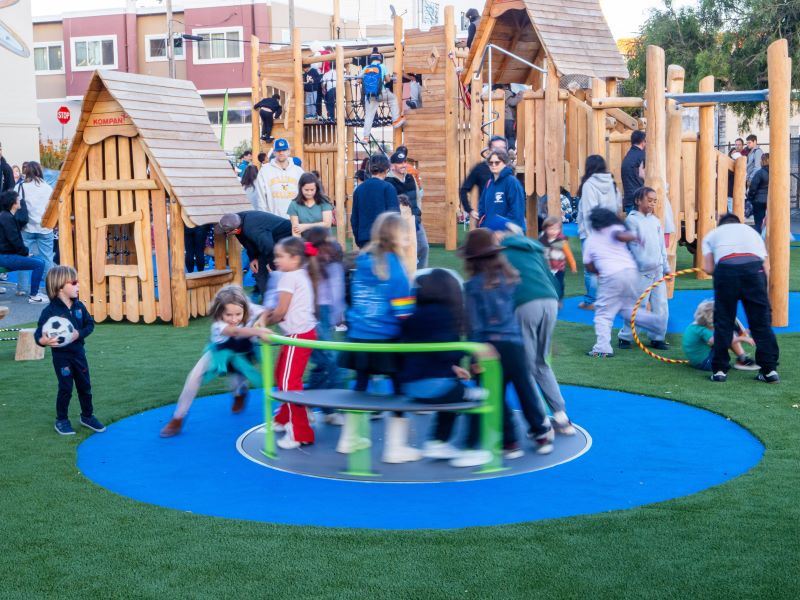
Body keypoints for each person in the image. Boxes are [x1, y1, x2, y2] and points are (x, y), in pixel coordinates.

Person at [461, 228, 555, 458]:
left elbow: (475, 326)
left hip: (489, 348)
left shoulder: (472, 287)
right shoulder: (509, 278)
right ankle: (541, 433)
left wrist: (474, 357)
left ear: (472, 260)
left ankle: (510, 440)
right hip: (514, 343)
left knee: (493, 392)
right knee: (524, 388)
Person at [338, 212, 419, 463]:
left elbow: (355, 297)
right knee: (398, 387)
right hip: (385, 338)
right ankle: (395, 448)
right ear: (396, 237)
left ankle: (348, 438)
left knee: (360, 385)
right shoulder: (396, 268)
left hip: (359, 336)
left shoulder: (363, 260)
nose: (408, 240)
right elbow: (403, 312)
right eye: (405, 235)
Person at [484, 216, 576, 436]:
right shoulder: (533, 246)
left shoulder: (500, 252)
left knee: (526, 365)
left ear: (498, 234)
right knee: (541, 362)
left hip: (526, 303)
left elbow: (496, 289)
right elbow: (552, 279)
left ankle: (541, 423)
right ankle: (561, 417)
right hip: (550, 301)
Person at [399, 268, 492, 468]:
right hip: (434, 387)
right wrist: (461, 355)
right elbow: (446, 349)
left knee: (456, 392)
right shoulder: (445, 316)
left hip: (410, 385)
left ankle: (438, 442)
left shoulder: (415, 316)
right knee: (481, 396)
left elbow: (426, 351)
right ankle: (472, 448)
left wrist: (451, 368)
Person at [160, 286, 268, 437]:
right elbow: (235, 331)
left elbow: (265, 311)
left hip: (242, 349)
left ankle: (240, 393)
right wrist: (258, 331)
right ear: (220, 313)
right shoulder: (218, 325)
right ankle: (178, 417)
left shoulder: (248, 307)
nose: (234, 319)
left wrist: (261, 320)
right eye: (228, 315)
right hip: (220, 351)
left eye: (238, 314)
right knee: (194, 376)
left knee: (236, 380)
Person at [701, 213, 780, 383]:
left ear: (721, 225)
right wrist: (763, 292)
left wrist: (725, 274)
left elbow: (708, 268)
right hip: (755, 272)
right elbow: (766, 266)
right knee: (761, 323)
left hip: (726, 271)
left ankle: (720, 371)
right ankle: (769, 371)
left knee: (724, 322)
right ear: (738, 223)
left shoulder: (712, 235)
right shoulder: (752, 232)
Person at [256, 237, 319, 448]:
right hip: (300, 333)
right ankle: (284, 418)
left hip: (297, 335)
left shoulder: (288, 277)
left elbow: (281, 311)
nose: (276, 260)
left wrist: (263, 323)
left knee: (289, 383)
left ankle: (300, 433)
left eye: (280, 256)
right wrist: (265, 317)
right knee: (282, 376)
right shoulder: (299, 273)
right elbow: (282, 309)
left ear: (295, 258)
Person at [582, 208, 667, 357]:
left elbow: (588, 265)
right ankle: (654, 322)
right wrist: (636, 237)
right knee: (627, 308)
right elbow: (622, 235)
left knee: (604, 313)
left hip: (612, 275)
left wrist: (598, 272)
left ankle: (602, 348)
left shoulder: (592, 239)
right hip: (630, 272)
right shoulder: (616, 228)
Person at [35, 266, 105, 436]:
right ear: (60, 286)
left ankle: (87, 416)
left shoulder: (79, 306)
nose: (78, 285)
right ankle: (61, 420)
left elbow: (90, 325)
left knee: (85, 386)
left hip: (79, 355)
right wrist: (43, 341)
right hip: (62, 358)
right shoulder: (50, 311)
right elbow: (38, 334)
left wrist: (78, 334)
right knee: (65, 388)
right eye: (73, 282)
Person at [617, 187, 670, 351]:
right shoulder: (632, 221)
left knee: (661, 305)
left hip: (657, 271)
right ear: (638, 201)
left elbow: (661, 246)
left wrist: (665, 266)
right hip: (641, 272)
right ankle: (626, 336)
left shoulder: (655, 221)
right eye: (649, 200)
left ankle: (658, 337)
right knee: (638, 305)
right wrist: (643, 264)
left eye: (655, 201)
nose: (652, 204)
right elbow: (633, 247)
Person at [304, 227, 346, 403]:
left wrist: (338, 318)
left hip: (316, 313)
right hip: (317, 313)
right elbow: (337, 293)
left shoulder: (326, 263)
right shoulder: (318, 263)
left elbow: (336, 292)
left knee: (324, 360)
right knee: (331, 360)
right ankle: (331, 404)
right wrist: (340, 318)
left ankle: (310, 401)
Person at [576, 155, 621, 309]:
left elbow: (589, 212)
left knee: (591, 268)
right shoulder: (612, 183)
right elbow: (617, 207)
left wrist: (591, 236)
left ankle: (592, 301)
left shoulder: (589, 185)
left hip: (593, 233)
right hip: (610, 232)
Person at [218, 211, 293, 299]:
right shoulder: (237, 221)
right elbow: (247, 242)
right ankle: (268, 300)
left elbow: (269, 247)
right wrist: (253, 258)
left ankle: (280, 300)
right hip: (270, 242)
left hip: (286, 240)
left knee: (273, 273)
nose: (226, 235)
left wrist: (272, 265)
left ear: (235, 230)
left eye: (227, 233)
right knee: (260, 272)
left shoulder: (252, 229)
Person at [682, 300, 759, 372]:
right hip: (706, 363)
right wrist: (742, 338)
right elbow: (722, 341)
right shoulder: (703, 331)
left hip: (696, 361)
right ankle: (743, 359)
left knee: (726, 332)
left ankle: (742, 358)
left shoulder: (695, 326)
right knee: (728, 333)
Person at [0, 190, 48, 303]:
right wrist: (25, 253)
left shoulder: (5, 216)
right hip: (6, 257)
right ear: (13, 203)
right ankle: (34, 295)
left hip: (6, 255)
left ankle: (33, 293)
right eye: (18, 199)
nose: (20, 200)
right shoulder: (7, 218)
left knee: (39, 261)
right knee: (39, 264)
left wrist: (24, 253)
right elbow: (15, 240)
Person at [15, 161, 54, 297]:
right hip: (45, 228)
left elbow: (13, 205)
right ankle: (50, 288)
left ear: (26, 172)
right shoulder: (47, 188)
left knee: (24, 258)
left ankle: (22, 288)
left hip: (26, 227)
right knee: (47, 259)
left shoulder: (20, 187)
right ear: (39, 171)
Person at [386, 146, 428, 268]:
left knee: (423, 247)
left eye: (404, 162)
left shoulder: (411, 177)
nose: (403, 165)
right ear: (392, 166)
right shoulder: (388, 181)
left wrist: (418, 212)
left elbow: (418, 197)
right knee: (401, 252)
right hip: (398, 223)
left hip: (415, 220)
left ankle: (420, 274)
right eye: (400, 163)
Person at [350, 153, 399, 248]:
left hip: (364, 239)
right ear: (387, 169)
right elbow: (394, 216)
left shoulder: (359, 189)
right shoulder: (388, 188)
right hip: (384, 240)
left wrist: (358, 240)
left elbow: (354, 219)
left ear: (369, 169)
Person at [460, 135, 508, 222]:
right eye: (496, 148)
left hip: (507, 221)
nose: (499, 151)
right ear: (489, 150)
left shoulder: (510, 169)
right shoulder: (480, 169)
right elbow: (464, 189)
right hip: (486, 220)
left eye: (502, 148)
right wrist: (469, 210)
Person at [360, 49, 405, 140]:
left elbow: (358, 80)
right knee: (393, 99)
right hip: (381, 93)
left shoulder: (366, 68)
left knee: (369, 116)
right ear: (380, 58)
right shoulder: (382, 66)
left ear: (370, 59)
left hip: (370, 95)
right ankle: (396, 120)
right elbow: (388, 80)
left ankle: (366, 137)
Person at [478, 148, 525, 230]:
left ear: (505, 163)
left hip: (508, 234)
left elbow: (517, 211)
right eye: (491, 162)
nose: (493, 165)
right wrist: (483, 224)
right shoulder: (489, 183)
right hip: (490, 233)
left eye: (497, 162)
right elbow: (482, 207)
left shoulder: (512, 182)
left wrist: (504, 229)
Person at [256, 139, 304, 219]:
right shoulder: (264, 171)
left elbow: (305, 195)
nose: (281, 153)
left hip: (295, 219)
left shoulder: (298, 171)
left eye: (284, 150)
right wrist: (264, 218)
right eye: (278, 150)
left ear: (289, 151)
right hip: (274, 220)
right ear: (274, 152)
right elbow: (260, 197)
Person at [539, 216, 576, 301]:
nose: (554, 231)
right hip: (547, 268)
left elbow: (569, 254)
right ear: (545, 229)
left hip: (559, 268)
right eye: (551, 229)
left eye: (556, 229)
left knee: (559, 284)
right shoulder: (542, 240)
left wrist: (573, 265)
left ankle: (559, 299)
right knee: (548, 284)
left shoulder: (562, 241)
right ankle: (550, 298)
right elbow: (539, 253)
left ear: (559, 229)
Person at [287, 172, 333, 237]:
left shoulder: (324, 202)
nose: (309, 193)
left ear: (316, 188)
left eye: (312, 190)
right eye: (306, 190)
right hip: (305, 241)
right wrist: (299, 243)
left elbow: (327, 224)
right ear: (300, 188)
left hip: (324, 240)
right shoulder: (294, 204)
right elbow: (295, 230)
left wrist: (306, 226)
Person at [621, 130, 646, 213]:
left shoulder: (628, 155)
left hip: (628, 199)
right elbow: (642, 174)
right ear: (643, 142)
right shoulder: (642, 155)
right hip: (638, 201)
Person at [746, 152, 769, 233]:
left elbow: (753, 187)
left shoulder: (760, 173)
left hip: (759, 201)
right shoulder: (775, 173)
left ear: (762, 161)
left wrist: (749, 198)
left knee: (759, 222)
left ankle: (759, 237)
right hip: (771, 201)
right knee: (771, 222)